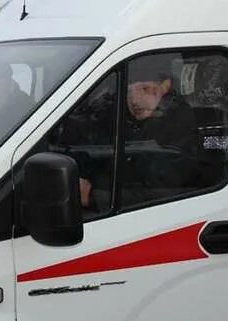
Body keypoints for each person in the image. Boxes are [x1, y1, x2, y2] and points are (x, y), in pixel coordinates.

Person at [79, 55, 198, 208]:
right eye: (128, 92)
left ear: (166, 86)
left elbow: (162, 192)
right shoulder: (118, 118)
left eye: (145, 88)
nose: (134, 100)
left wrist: (93, 197)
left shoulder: (177, 124)